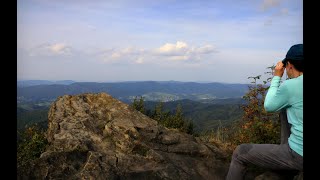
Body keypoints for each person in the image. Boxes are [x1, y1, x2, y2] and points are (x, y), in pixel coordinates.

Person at [226, 44, 303, 180]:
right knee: (285, 108)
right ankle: (285, 149)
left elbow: (269, 106)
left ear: (289, 65)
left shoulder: (292, 85)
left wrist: (277, 77)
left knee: (239, 153)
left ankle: (287, 157)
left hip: (298, 154)